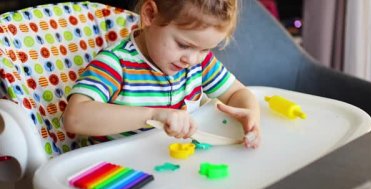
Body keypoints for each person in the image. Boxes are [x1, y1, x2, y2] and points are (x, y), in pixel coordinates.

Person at [63, 0, 261, 148]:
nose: (191, 60)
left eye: (205, 49)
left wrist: (251, 116)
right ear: (150, 15)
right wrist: (153, 115)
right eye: (184, 45)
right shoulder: (117, 64)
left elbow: (237, 93)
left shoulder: (200, 64)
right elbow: (74, 118)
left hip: (168, 165)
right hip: (117, 173)